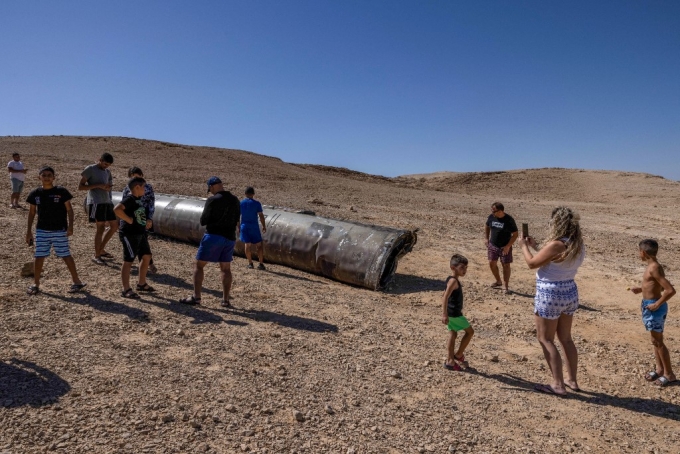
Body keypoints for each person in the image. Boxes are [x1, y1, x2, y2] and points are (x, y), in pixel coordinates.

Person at [518, 206, 585, 396]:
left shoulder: (557, 244)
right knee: (566, 338)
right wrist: (537, 247)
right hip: (569, 291)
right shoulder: (576, 243)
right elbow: (556, 259)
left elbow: (532, 263)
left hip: (550, 293)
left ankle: (557, 384)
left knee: (545, 338)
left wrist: (524, 247)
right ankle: (572, 380)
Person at [25, 166, 86, 295]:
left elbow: (69, 210)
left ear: (54, 177)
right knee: (39, 256)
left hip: (59, 230)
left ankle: (77, 281)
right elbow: (31, 213)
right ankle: (36, 284)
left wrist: (71, 226)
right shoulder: (35, 193)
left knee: (65, 254)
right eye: (44, 175)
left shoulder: (61, 191)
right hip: (42, 230)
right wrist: (28, 231)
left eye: (49, 175)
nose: (46, 177)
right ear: (39, 177)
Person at [180, 176, 240, 307]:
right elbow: (237, 220)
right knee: (225, 268)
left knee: (199, 265)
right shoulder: (235, 200)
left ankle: (196, 297)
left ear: (212, 187)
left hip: (213, 236)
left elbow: (203, 220)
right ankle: (225, 300)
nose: (211, 191)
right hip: (230, 238)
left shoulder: (212, 200)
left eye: (210, 189)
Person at [630, 239, 676, 387]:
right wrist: (641, 289)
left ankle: (669, 374)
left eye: (639, 251)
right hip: (649, 306)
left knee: (658, 341)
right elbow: (657, 286)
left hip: (654, 307)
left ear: (643, 252)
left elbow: (670, 290)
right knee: (655, 340)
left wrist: (656, 304)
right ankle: (660, 369)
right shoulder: (653, 266)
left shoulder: (654, 268)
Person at [113, 177, 155, 299]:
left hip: (140, 233)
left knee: (146, 256)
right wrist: (129, 220)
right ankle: (126, 289)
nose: (145, 190)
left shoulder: (139, 200)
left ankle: (141, 283)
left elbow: (140, 214)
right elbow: (117, 209)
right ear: (137, 187)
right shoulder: (130, 199)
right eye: (143, 187)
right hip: (129, 234)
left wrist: (146, 221)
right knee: (128, 260)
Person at [79, 153, 117, 265]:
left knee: (114, 226)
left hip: (107, 202)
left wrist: (107, 188)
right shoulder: (90, 169)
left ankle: (101, 249)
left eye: (108, 165)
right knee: (100, 228)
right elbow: (81, 187)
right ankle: (97, 255)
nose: (106, 166)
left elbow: (109, 185)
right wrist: (98, 186)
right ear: (99, 160)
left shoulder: (107, 172)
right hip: (96, 202)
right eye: (105, 163)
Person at [441, 254, 474, 371]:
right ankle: (458, 355)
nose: (465, 270)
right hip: (454, 314)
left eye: (466, 268)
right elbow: (445, 297)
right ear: (453, 268)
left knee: (453, 334)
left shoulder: (451, 279)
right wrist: (444, 314)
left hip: (452, 312)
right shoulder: (453, 281)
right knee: (470, 332)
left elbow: (444, 295)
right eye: (462, 268)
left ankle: (450, 360)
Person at [121, 167, 157, 274]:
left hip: (143, 216)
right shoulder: (127, 189)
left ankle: (148, 263)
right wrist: (128, 219)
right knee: (134, 243)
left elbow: (151, 203)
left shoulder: (147, 187)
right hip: (132, 218)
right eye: (133, 177)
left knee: (143, 240)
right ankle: (140, 264)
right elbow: (122, 205)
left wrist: (149, 218)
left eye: (137, 176)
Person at [485, 202, 518, 294]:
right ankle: (498, 281)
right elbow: (487, 226)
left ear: (501, 211)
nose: (492, 212)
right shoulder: (491, 217)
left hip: (505, 246)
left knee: (506, 265)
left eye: (494, 211)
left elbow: (515, 234)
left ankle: (505, 286)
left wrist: (508, 246)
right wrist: (486, 238)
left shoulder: (509, 220)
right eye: (492, 210)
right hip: (493, 244)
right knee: (492, 263)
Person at [240, 186, 267, 270]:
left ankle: (250, 263)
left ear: (245, 194)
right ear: (253, 194)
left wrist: (238, 226)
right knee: (259, 245)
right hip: (254, 226)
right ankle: (261, 263)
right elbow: (261, 216)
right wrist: (263, 226)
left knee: (247, 245)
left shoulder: (241, 203)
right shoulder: (256, 203)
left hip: (244, 226)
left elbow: (237, 215)